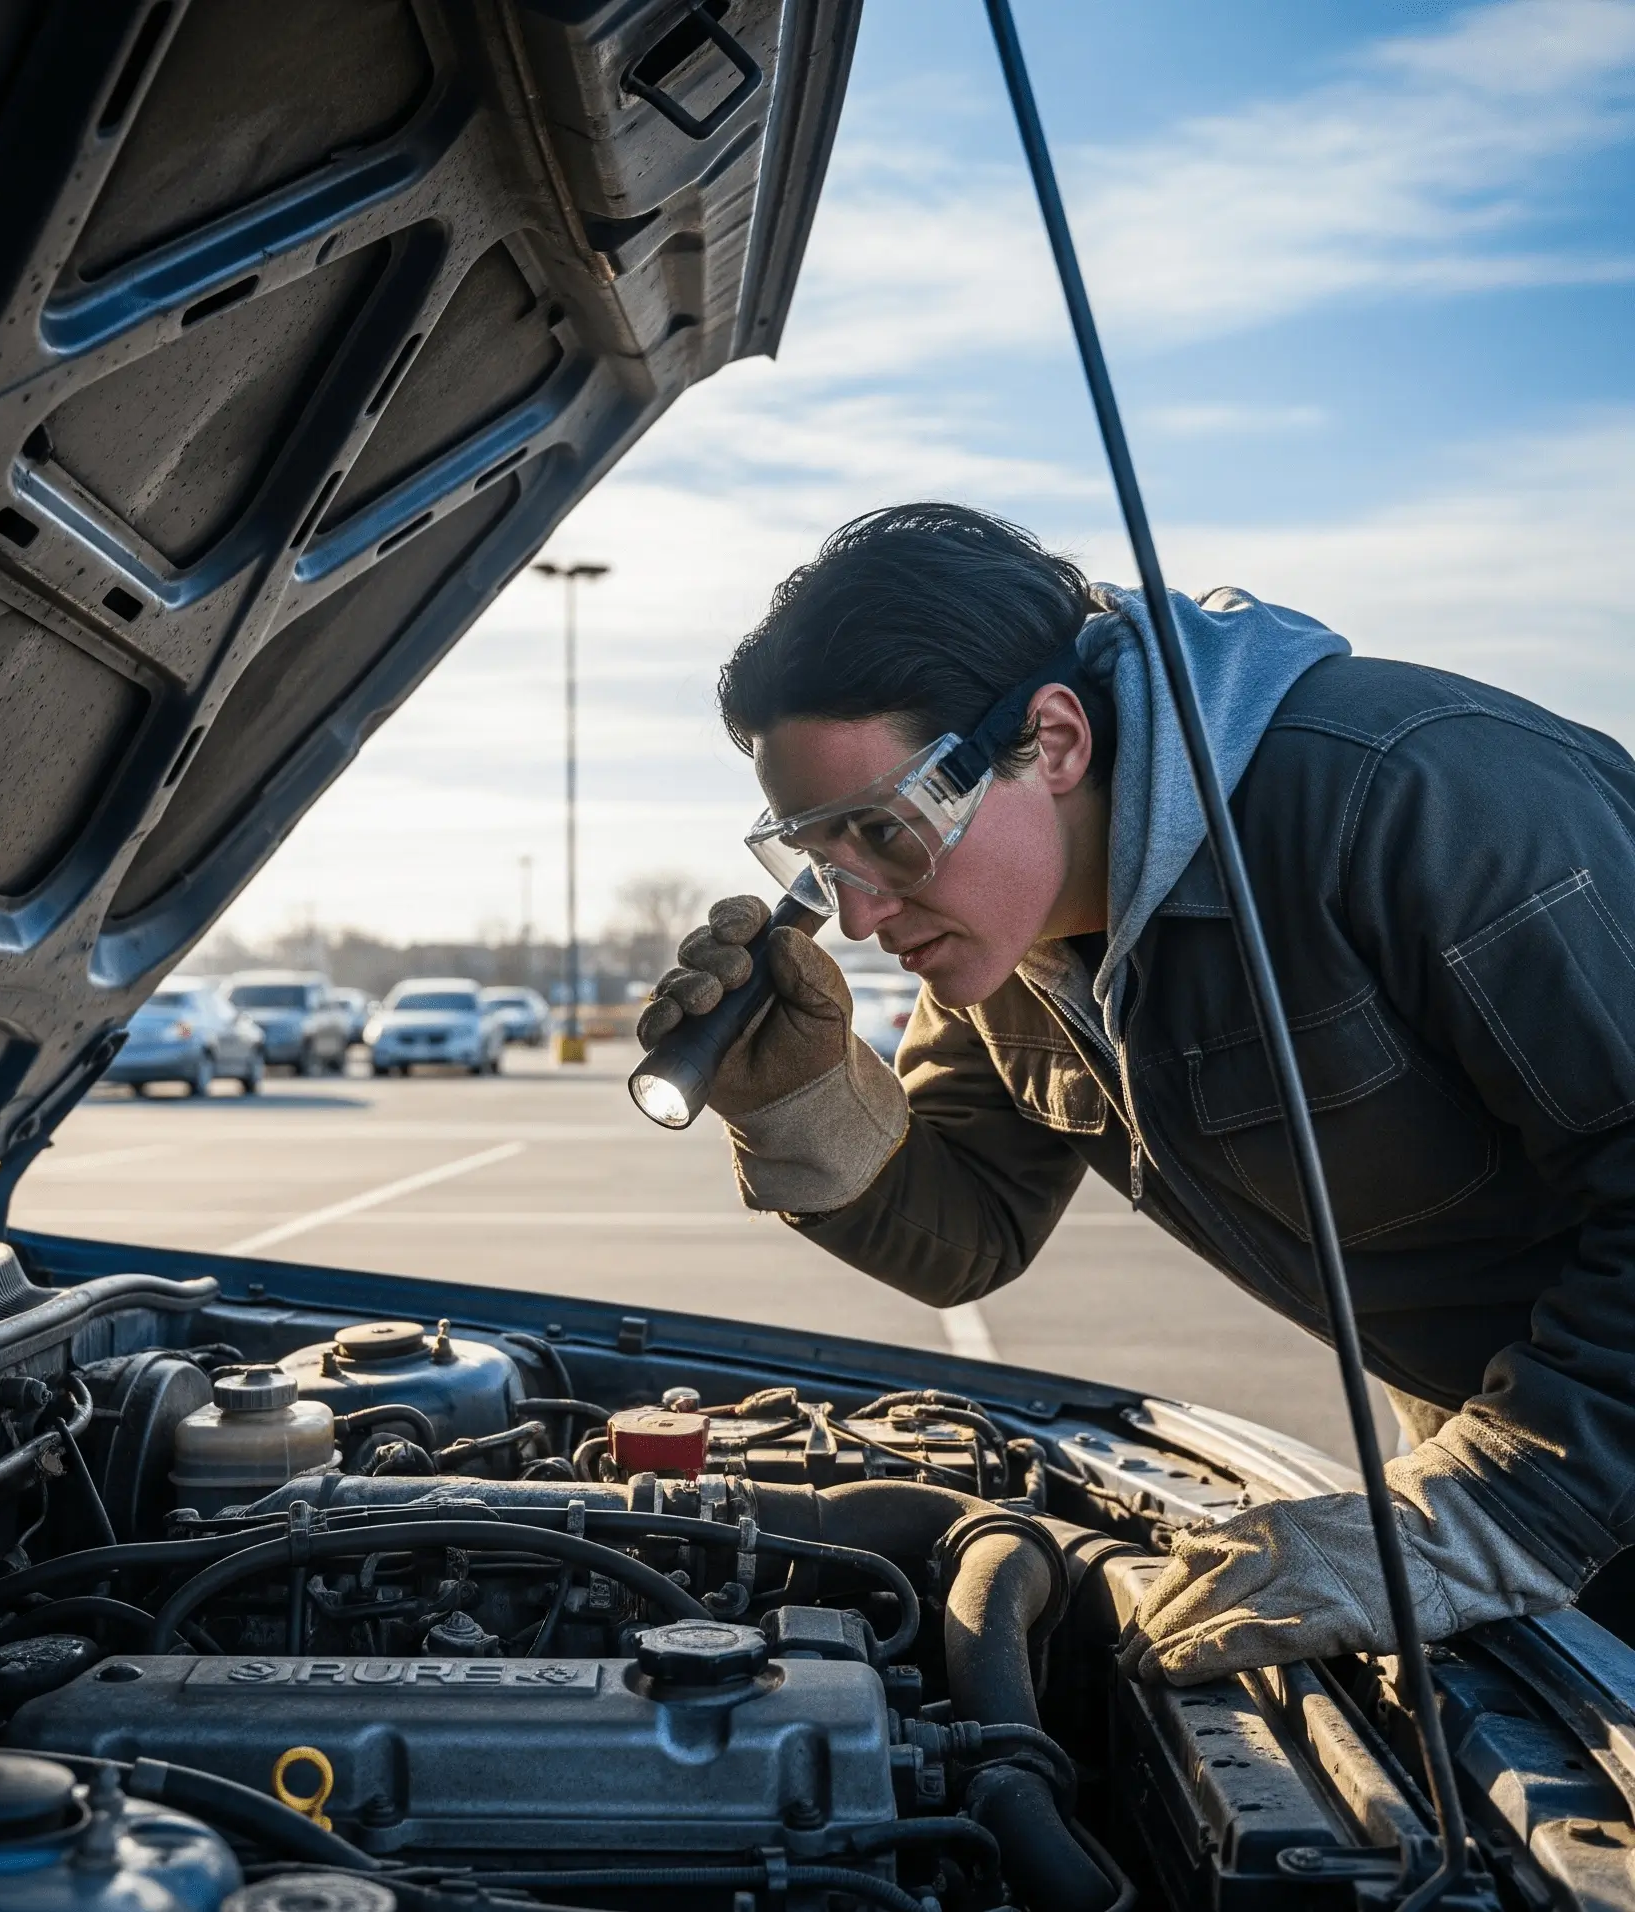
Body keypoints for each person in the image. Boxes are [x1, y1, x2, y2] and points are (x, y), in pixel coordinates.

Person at [641, 502, 1635, 1685]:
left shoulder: (1420, 801)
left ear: (1053, 740)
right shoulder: (1010, 953)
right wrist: (801, 1095)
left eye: (886, 832)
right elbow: (968, 1235)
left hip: (1554, 1469)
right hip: (1535, 1456)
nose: (858, 912)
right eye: (820, 854)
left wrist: (1479, 1518)